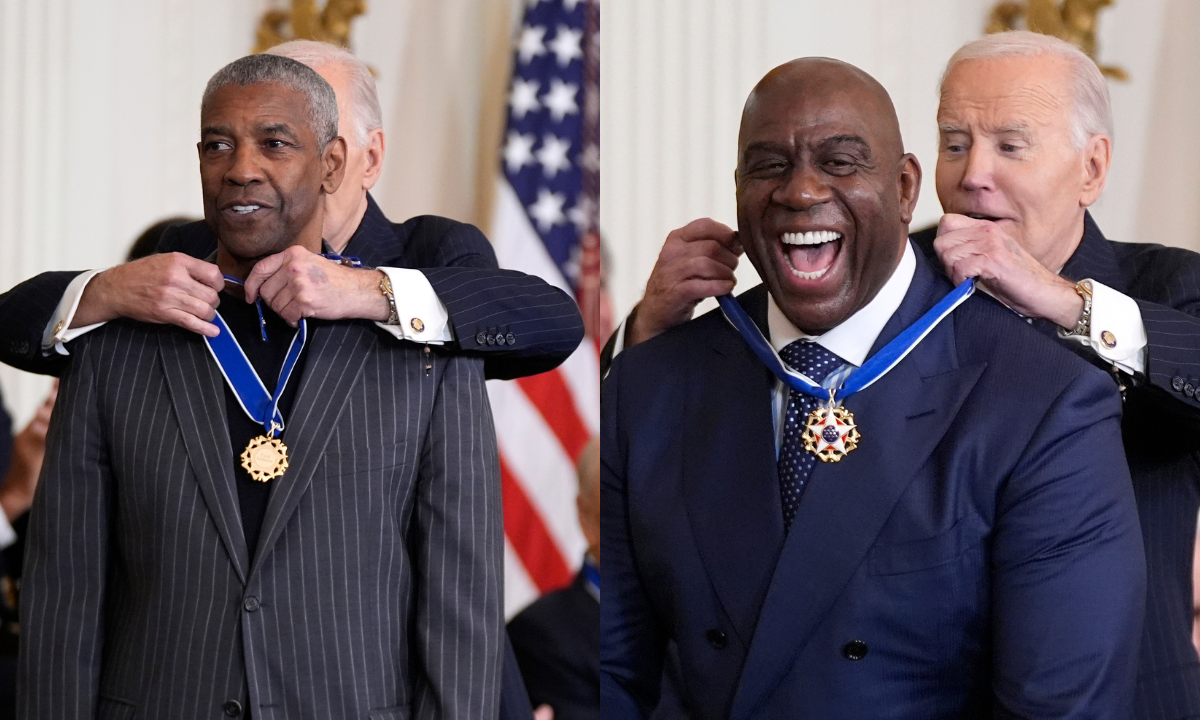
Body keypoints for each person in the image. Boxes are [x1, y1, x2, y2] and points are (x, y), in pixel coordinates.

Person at [601, 57, 1145, 718]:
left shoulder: (1045, 401)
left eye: (839, 162)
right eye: (770, 165)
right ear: (739, 187)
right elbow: (612, 676)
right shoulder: (647, 385)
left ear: (905, 188)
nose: (800, 192)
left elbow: (1061, 707)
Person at [17, 54, 502, 719]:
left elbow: (462, 598)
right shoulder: (115, 341)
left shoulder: (426, 345)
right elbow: (64, 592)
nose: (241, 167)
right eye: (219, 145)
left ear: (333, 165)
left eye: (274, 143)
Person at [0, 40, 583, 383]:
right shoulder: (188, 244)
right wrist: (105, 292)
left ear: (361, 157)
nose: (251, 169)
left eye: (280, 141)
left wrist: (361, 291)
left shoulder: (431, 250)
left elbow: (552, 325)